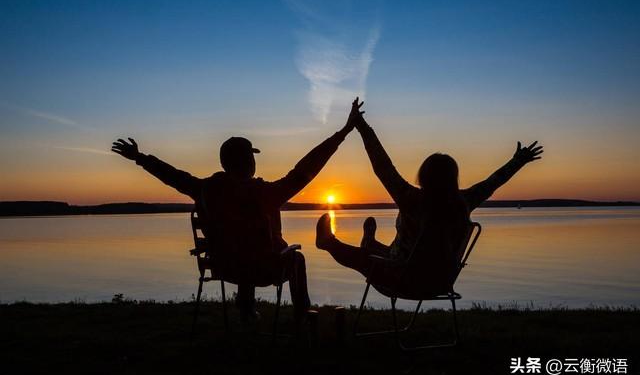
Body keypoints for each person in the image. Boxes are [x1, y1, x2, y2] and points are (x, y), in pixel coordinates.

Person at [112, 98, 365, 323]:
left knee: (244, 249)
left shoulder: (204, 189)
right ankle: (302, 315)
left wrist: (139, 157)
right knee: (295, 258)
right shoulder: (267, 193)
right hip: (264, 269)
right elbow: (305, 170)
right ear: (250, 162)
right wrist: (343, 132)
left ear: (224, 163)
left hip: (224, 267)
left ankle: (245, 309)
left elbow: (171, 175)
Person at [316, 104, 543, 294]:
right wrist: (518, 161)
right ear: (454, 178)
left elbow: (382, 166)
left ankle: (331, 243)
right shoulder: (463, 201)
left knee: (364, 257)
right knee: (385, 251)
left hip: (402, 280)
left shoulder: (410, 198)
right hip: (441, 283)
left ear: (423, 176)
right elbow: (493, 182)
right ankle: (370, 243)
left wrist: (361, 126)